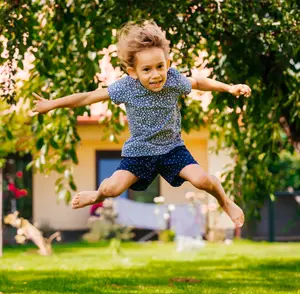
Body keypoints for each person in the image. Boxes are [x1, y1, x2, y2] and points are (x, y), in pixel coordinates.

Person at [32, 21, 251, 227]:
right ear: (133, 72)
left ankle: (224, 201)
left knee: (203, 180)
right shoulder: (125, 87)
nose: (155, 75)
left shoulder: (173, 79)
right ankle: (96, 195)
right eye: (146, 70)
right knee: (111, 188)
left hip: (172, 149)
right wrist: (52, 104)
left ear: (168, 64)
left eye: (160, 66)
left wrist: (229, 88)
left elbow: (199, 82)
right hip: (139, 152)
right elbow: (87, 98)